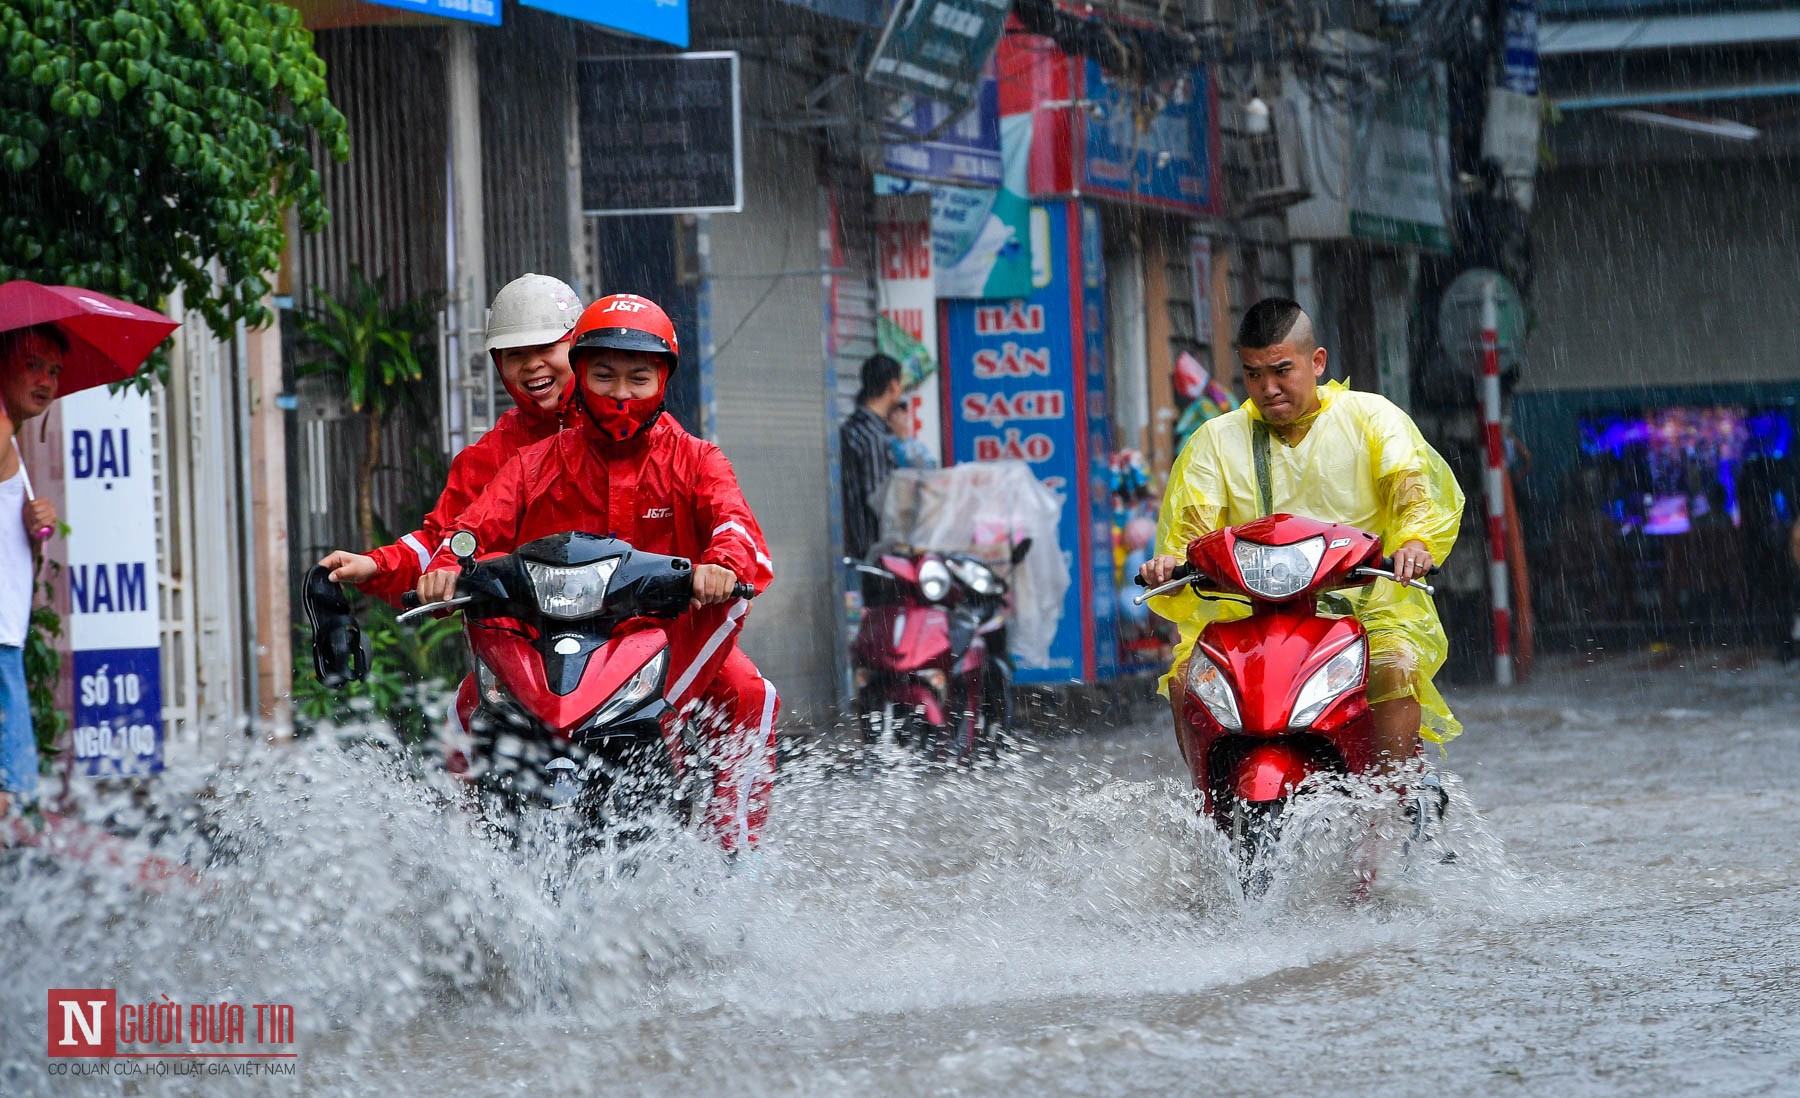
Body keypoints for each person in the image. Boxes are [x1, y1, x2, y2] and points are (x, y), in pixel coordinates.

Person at [416, 293, 779, 853]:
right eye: (604, 375)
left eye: (639, 377)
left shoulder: (698, 460)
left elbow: (735, 525)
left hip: (669, 640)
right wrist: (448, 561)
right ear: (579, 375)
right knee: (467, 706)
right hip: (552, 642)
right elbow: (473, 528)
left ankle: (735, 856)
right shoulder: (534, 461)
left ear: (664, 380)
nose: (620, 394)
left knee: (750, 693)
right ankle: (463, 857)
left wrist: (722, 566)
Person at [1139, 298, 1465, 767]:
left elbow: (1414, 495)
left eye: (1281, 371)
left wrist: (1415, 542)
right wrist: (1169, 562)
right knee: (1186, 678)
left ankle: (1393, 797)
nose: (1267, 388)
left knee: (1395, 669)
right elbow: (1190, 534)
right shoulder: (1214, 439)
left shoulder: (1373, 418)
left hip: (1366, 611)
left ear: (1318, 362)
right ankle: (1208, 806)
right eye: (1252, 375)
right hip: (1246, 621)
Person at [316, 274, 582, 603]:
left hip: (629, 634)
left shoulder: (632, 440)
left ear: (578, 347)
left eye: (546, 347)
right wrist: (376, 564)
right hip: (518, 640)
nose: (532, 365)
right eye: (515, 354)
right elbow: (445, 544)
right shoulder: (489, 455)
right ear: (498, 363)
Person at [0, 325, 62, 816]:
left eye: (54, 370)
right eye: (33, 364)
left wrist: (32, 528)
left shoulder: (10, 439)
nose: (45, 379)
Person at [839, 353, 903, 560]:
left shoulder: (853, 428)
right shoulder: (873, 436)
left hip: (857, 547)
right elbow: (880, 500)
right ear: (893, 386)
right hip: (874, 552)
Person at [885, 399, 936, 470]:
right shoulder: (885, 445)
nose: (902, 414)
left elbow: (930, 468)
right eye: (896, 412)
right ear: (888, 421)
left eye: (904, 411)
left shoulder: (917, 445)